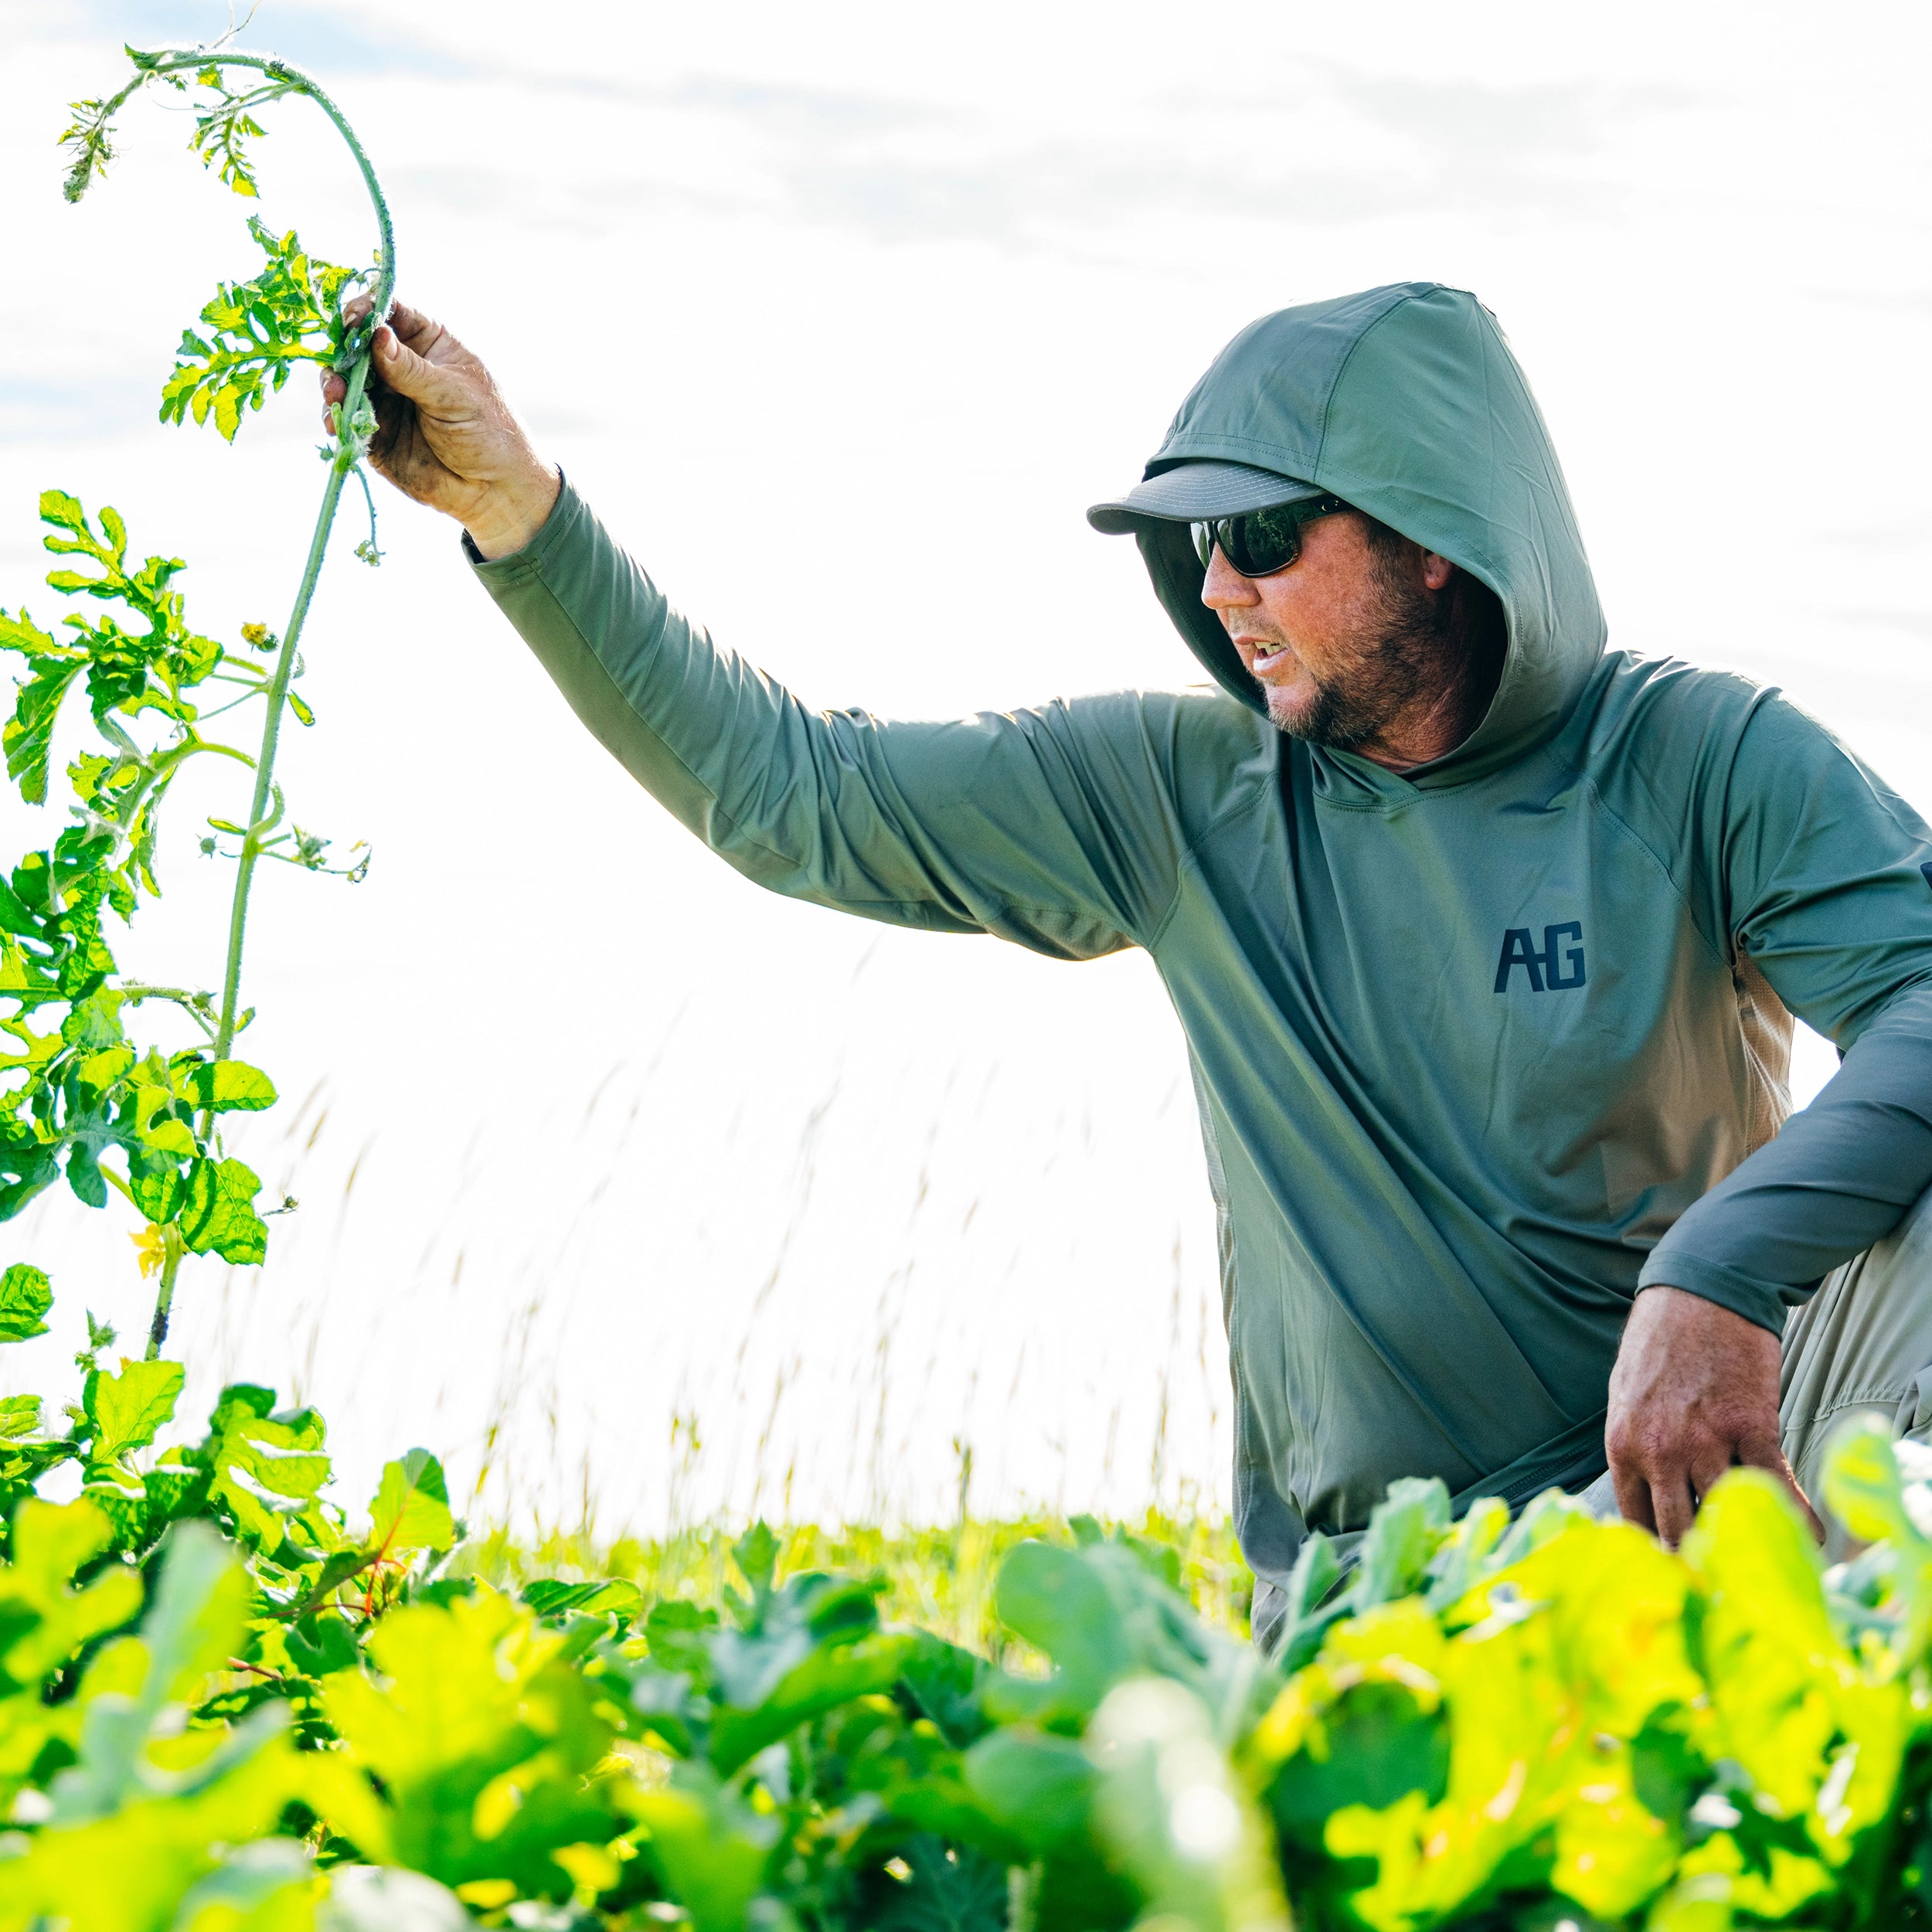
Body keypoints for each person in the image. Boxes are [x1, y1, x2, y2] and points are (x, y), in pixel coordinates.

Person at [324, 281, 1932, 1656]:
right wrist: (517, 514)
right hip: (1397, 1599)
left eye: (1259, 535)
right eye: (1192, 544)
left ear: (1434, 538)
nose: (1218, 587)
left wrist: (1708, 1267)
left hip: (1693, 1491)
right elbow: (790, 790)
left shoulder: (1699, 759)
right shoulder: (1175, 796)